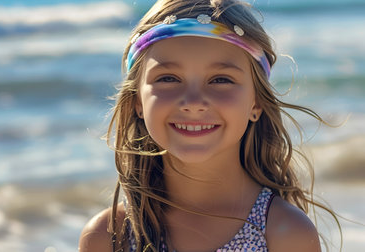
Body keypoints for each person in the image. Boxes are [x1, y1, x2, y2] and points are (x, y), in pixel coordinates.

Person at [79, 0, 339, 251]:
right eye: (169, 78)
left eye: (220, 80)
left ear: (256, 103)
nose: (193, 102)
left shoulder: (283, 234)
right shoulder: (110, 237)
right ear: (137, 101)